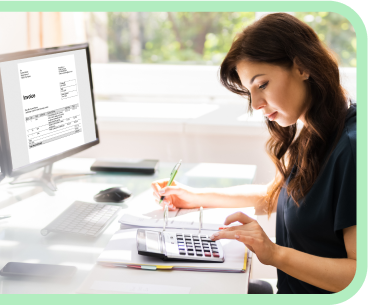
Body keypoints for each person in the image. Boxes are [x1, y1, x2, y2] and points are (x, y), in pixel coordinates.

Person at [151, 13, 356, 294]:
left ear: (302, 67)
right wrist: (195, 197)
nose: (257, 104)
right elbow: (283, 197)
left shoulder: (352, 150)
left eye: (262, 84)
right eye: (249, 91)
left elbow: (357, 274)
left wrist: (273, 253)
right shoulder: (315, 128)